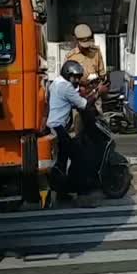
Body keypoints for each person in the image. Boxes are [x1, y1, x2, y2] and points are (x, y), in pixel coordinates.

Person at [47, 60, 99, 197]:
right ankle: (82, 193)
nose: (76, 80)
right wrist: (98, 92)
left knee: (62, 159)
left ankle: (61, 192)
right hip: (59, 128)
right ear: (67, 74)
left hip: (53, 127)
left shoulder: (56, 83)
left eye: (78, 77)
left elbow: (75, 95)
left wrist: (86, 88)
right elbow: (84, 105)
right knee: (79, 157)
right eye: (74, 77)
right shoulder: (66, 87)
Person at [65, 24, 109, 119]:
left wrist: (97, 84)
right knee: (79, 122)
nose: (86, 47)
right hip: (79, 94)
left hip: (95, 92)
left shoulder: (96, 52)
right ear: (77, 41)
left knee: (98, 122)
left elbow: (102, 74)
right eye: (83, 45)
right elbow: (66, 80)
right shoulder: (71, 57)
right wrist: (80, 83)